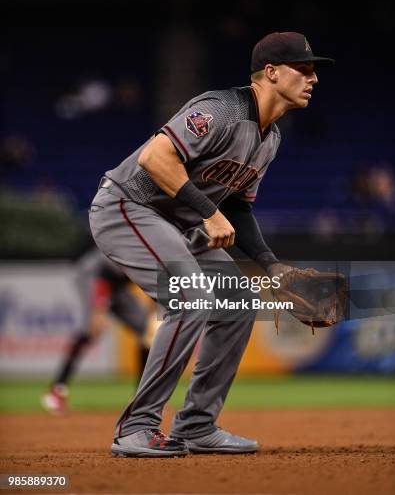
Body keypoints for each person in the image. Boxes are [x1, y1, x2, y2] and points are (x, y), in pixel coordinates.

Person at [89, 31, 334, 457]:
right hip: (127, 206)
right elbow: (154, 158)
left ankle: (197, 426)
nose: (313, 79)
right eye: (305, 69)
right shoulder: (220, 109)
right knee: (192, 297)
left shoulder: (270, 138)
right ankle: (136, 426)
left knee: (238, 299)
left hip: (178, 223)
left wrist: (271, 266)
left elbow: (237, 206)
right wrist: (208, 211)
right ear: (272, 73)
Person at [41, 247, 151, 414]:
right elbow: (105, 271)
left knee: (147, 331)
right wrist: (99, 309)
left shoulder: (169, 250)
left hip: (117, 284)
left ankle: (140, 398)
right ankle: (57, 389)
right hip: (93, 275)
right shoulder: (142, 246)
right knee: (92, 329)